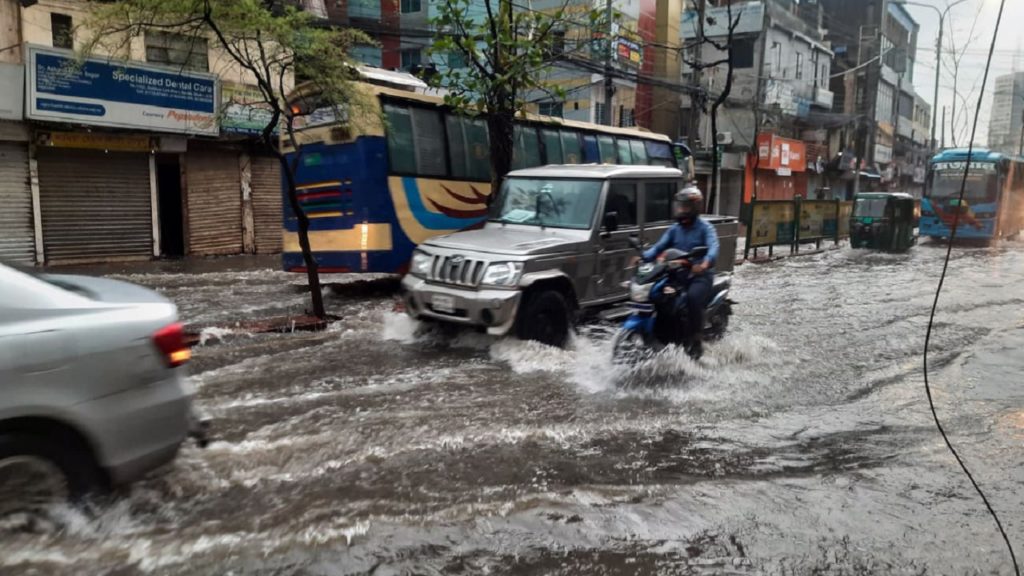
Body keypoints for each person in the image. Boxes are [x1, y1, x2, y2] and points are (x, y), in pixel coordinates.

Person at [639, 185, 719, 358]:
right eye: (680, 206)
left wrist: (704, 264)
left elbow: (713, 248)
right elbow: (659, 247)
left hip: (699, 276)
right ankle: (662, 335)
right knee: (657, 294)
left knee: (692, 298)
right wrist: (643, 257)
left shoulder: (706, 228)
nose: (681, 210)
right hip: (677, 274)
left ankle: (696, 339)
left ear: (695, 207)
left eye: (685, 206)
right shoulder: (675, 229)